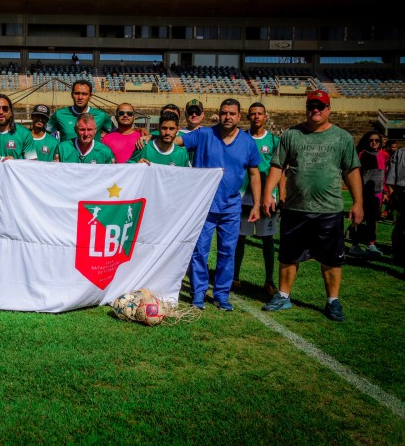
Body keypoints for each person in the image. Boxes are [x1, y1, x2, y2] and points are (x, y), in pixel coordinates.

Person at [140, 99, 261, 310]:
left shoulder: (248, 142)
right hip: (203, 204)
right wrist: (151, 137)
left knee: (227, 251)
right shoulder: (204, 134)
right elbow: (175, 139)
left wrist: (257, 204)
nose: (228, 117)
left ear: (239, 116)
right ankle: (198, 293)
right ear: (219, 114)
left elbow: (254, 173)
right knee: (199, 251)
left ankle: (222, 295)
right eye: (224, 112)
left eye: (232, 113)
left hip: (232, 205)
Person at [262, 90, 362, 322]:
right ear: (306, 108)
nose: (315, 110)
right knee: (289, 256)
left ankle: (332, 301)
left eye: (320, 106)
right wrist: (268, 194)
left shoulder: (342, 138)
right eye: (311, 106)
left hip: (329, 210)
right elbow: (277, 165)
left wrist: (358, 202)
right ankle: (283, 295)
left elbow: (351, 171)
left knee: (331, 259)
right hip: (295, 208)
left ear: (328, 109)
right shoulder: (292, 135)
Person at [234, 103, 281, 295]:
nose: (256, 117)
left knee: (267, 239)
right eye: (252, 114)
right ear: (248, 117)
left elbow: (281, 169)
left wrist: (282, 194)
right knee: (240, 238)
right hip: (243, 196)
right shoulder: (241, 138)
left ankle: (269, 281)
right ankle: (235, 277)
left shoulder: (274, 140)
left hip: (267, 198)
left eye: (260, 114)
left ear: (265, 117)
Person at [348, 131, 386, 258]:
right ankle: (354, 245)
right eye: (371, 140)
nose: (374, 142)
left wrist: (385, 191)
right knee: (359, 218)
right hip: (364, 193)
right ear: (367, 141)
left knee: (373, 220)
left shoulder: (382, 154)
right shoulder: (362, 154)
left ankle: (371, 244)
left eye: (377, 140)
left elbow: (383, 175)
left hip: (378, 193)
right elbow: (357, 175)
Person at [0, 94, 37, 169]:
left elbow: (32, 165)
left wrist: (16, 163)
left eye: (5, 108)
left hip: (14, 176)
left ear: (11, 112)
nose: (1, 112)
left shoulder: (24, 134)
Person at [46, 80, 115, 142]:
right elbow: (44, 134)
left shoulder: (101, 116)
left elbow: (117, 134)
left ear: (90, 96)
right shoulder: (59, 115)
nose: (80, 97)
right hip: (67, 153)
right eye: (77, 93)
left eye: (84, 94)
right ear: (72, 95)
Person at [386, 143, 405, 266]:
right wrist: (393, 197)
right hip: (401, 194)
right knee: (400, 226)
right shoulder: (400, 153)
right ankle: (398, 256)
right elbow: (390, 178)